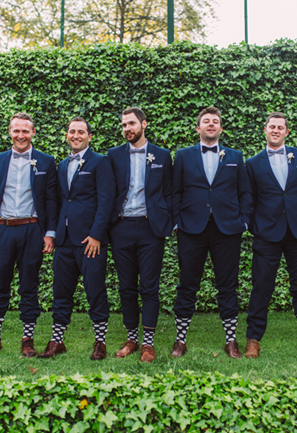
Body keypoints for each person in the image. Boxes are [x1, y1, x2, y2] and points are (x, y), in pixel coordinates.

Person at [170, 106, 252, 359]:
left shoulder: (235, 156)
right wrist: (176, 222)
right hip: (191, 229)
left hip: (227, 230)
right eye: (206, 121)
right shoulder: (183, 156)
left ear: (221, 128)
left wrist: (244, 221)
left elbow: (245, 192)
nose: (211, 124)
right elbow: (175, 192)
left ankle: (231, 341)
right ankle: (180, 341)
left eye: (215, 121)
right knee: (187, 285)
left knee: (227, 286)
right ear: (198, 128)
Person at [244, 112, 297, 359]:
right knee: (261, 286)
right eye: (272, 127)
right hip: (267, 233)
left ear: (287, 132)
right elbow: (249, 199)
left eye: (281, 127)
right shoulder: (253, 163)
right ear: (265, 130)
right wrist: (253, 226)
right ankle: (253, 340)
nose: (276, 130)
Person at [0, 113, 58, 357]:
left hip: (32, 229)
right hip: (1, 229)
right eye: (16, 131)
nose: (21, 135)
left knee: (29, 285)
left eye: (25, 131)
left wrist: (50, 233)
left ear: (33, 133)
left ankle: (28, 339)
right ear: (9, 132)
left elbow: (52, 199)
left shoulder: (46, 161)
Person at [37, 117, 116, 360]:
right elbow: (60, 202)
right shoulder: (61, 165)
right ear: (67, 135)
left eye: (81, 132)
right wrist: (52, 233)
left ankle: (100, 342)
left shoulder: (101, 162)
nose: (76, 135)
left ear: (90, 137)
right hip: (64, 239)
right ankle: (56, 341)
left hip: (89, 241)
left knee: (95, 290)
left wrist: (96, 235)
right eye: (72, 131)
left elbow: (107, 201)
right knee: (61, 291)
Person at [106, 107, 173, 363]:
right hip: (121, 227)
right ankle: (132, 339)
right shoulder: (113, 156)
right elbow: (108, 192)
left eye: (131, 124)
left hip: (150, 228)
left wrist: (167, 221)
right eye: (124, 125)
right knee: (126, 287)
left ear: (144, 124)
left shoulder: (162, 155)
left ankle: (148, 343)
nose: (127, 129)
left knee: (149, 287)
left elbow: (168, 191)